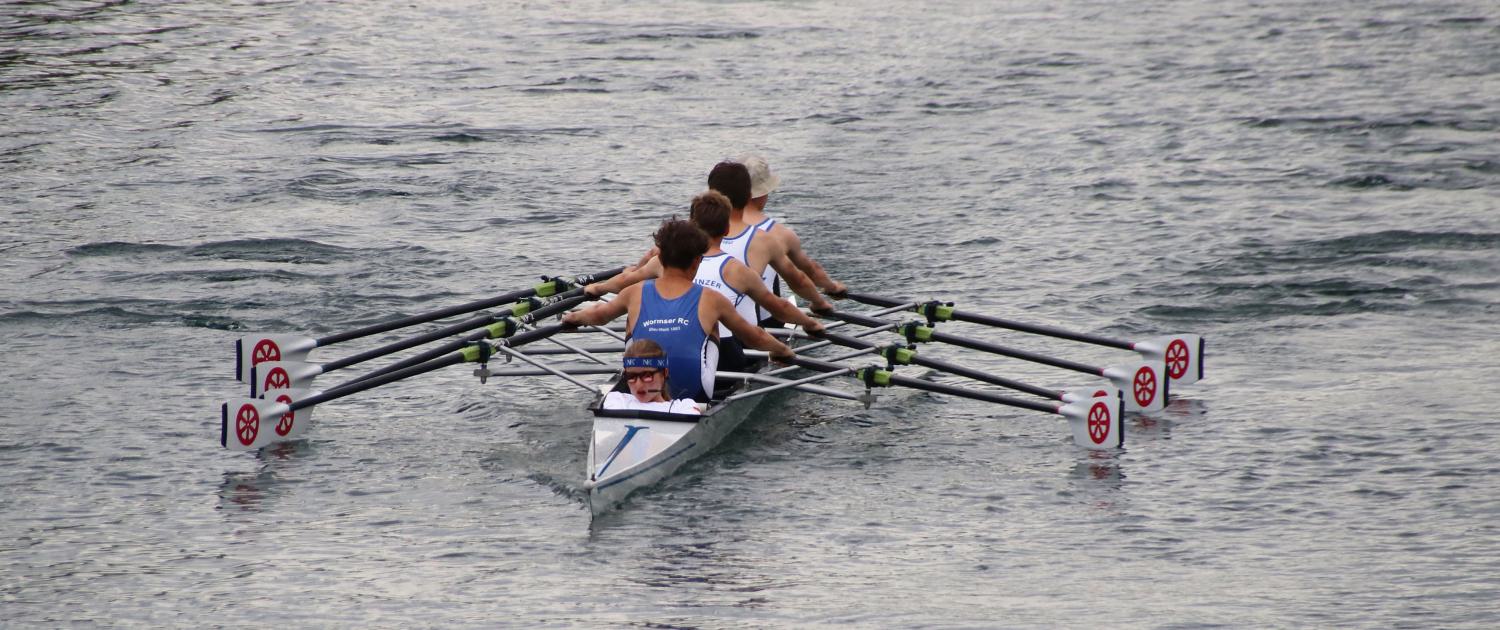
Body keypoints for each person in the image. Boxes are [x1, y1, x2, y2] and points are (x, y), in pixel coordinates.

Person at [585, 191, 826, 372]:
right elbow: (780, 308)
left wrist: (597, 288)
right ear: (726, 229)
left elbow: (625, 281)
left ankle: (645, 382)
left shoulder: (661, 262)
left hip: (655, 351)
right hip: (725, 356)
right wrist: (809, 324)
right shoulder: (737, 270)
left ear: (692, 224)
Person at [562, 218, 795, 402]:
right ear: (696, 262)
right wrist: (782, 350)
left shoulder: (635, 292)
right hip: (693, 392)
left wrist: (574, 318)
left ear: (660, 258)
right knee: (711, 325)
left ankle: (637, 385)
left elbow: (599, 316)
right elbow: (754, 336)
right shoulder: (712, 299)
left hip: (642, 385)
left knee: (632, 322)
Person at [736, 154, 847, 326]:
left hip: (708, 319)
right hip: (760, 325)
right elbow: (808, 273)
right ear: (764, 191)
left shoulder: (709, 225)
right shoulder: (778, 233)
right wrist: (830, 290)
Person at [601, 339, 701, 414]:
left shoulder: (684, 407)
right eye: (631, 376)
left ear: (665, 373)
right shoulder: (616, 399)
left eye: (647, 375)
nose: (639, 384)